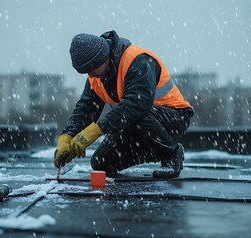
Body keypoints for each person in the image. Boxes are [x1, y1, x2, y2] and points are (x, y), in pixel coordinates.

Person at [54, 30, 194, 178]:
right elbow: (85, 109)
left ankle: (171, 154)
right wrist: (67, 137)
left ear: (102, 58)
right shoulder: (96, 77)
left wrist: (97, 130)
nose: (90, 75)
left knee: (136, 112)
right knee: (101, 162)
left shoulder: (137, 61)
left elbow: (137, 105)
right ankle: (154, 150)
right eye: (86, 72)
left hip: (175, 117)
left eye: (92, 69)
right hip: (137, 123)